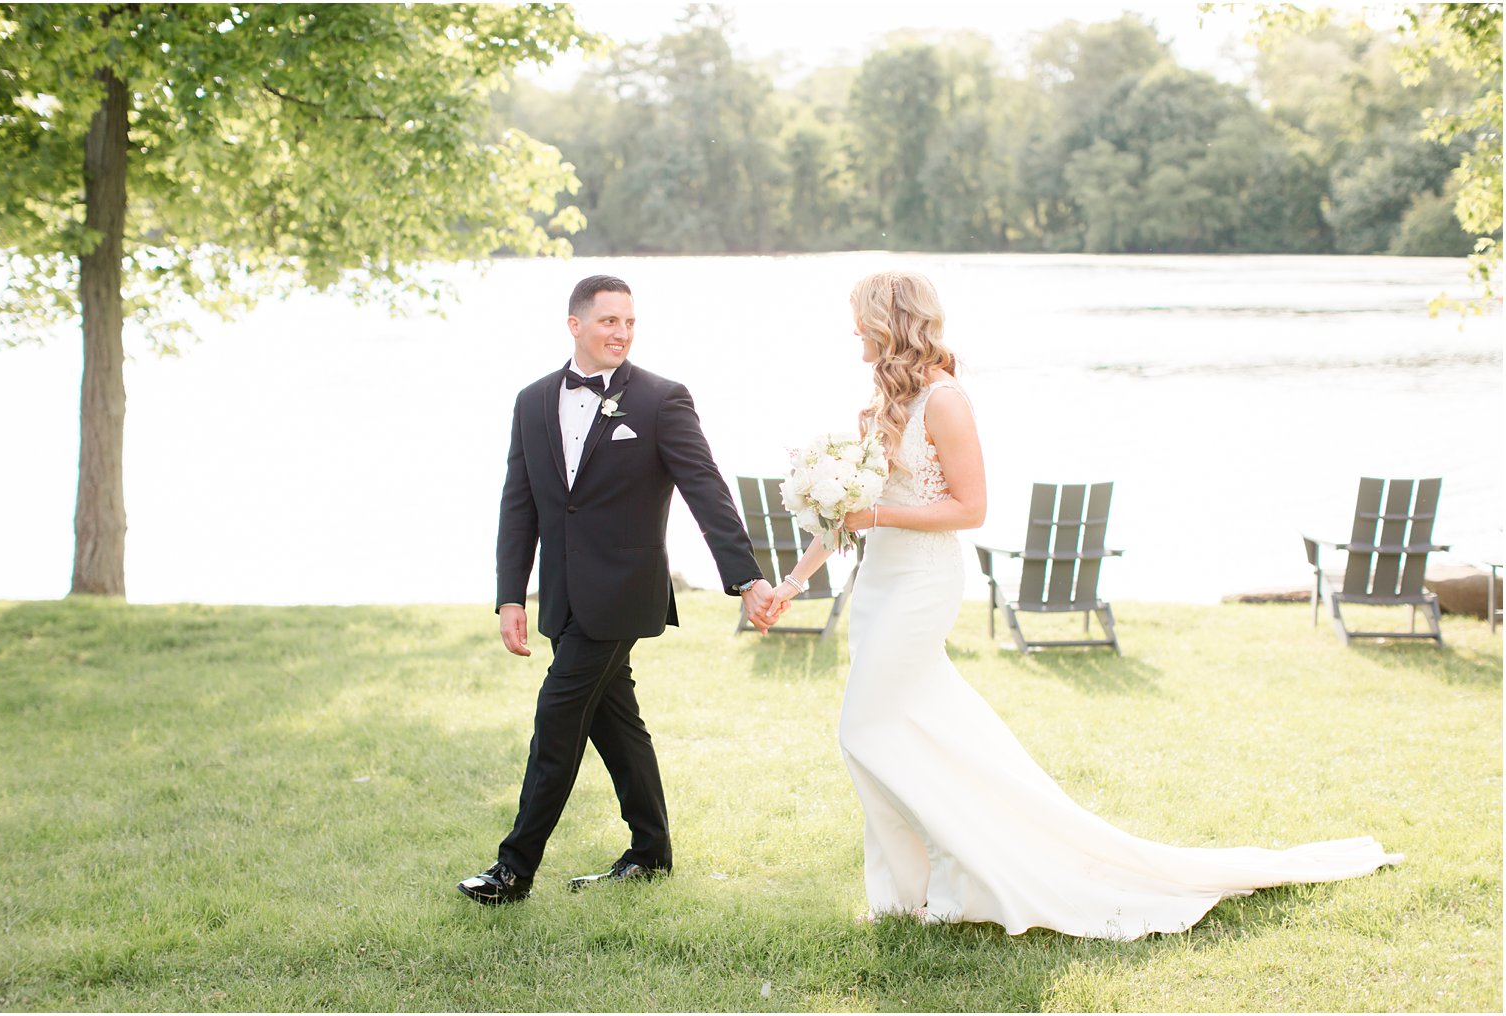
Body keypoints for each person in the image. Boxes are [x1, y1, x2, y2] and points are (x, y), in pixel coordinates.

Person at [767, 270, 1402, 939]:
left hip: (922, 584)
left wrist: (880, 514)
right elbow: (845, 511)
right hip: (878, 586)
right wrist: (792, 581)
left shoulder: (946, 400)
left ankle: (967, 875)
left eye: (859, 318)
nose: (852, 330)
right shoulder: (880, 404)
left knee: (864, 730)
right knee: (905, 733)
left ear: (888, 320)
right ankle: (908, 894)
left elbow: (971, 508)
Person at [457, 274, 779, 906]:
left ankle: (514, 869)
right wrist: (512, 596)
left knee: (557, 717)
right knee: (615, 721)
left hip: (624, 592)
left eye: (630, 322)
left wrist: (745, 577)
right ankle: (651, 850)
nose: (622, 333)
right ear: (575, 324)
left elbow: (705, 489)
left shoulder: (661, 399)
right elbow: (517, 504)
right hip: (565, 596)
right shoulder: (530, 401)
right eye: (609, 321)